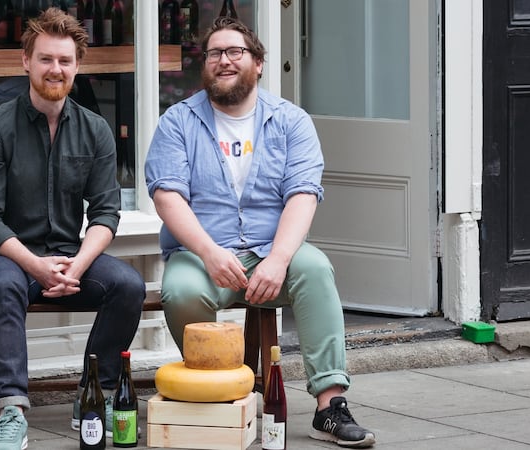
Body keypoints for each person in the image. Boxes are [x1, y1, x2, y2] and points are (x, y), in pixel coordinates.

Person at [145, 17, 376, 449]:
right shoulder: (177, 122)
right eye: (215, 53)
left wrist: (279, 259)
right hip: (202, 253)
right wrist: (209, 253)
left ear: (259, 63)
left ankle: (330, 405)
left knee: (316, 270)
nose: (224, 60)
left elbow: (303, 195)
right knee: (181, 290)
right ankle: (215, 394)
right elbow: (167, 197)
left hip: (273, 249)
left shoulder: (292, 122)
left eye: (235, 52)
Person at [0, 8, 146, 450]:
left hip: (70, 256)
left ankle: (94, 394)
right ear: (25, 61)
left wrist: (75, 266)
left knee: (128, 285)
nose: (56, 69)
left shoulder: (95, 130)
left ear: (77, 66)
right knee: (4, 285)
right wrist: (37, 266)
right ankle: (11, 412)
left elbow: (106, 214)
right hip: (7, 257)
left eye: (65, 61)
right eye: (46, 59)